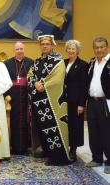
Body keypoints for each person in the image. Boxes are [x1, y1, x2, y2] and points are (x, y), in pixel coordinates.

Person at [28, 35, 70, 166]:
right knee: (43, 129)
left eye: (47, 44)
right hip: (39, 101)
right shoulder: (37, 61)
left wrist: (43, 85)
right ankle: (47, 152)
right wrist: (35, 84)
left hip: (52, 102)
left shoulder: (58, 61)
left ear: (52, 45)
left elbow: (58, 80)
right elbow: (30, 75)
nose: (44, 46)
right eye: (42, 44)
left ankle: (58, 157)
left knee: (54, 129)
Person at [4, 41, 34, 155]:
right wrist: (6, 95)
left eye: (21, 49)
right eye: (17, 49)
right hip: (13, 95)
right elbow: (4, 80)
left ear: (24, 50)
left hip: (27, 94)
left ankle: (25, 147)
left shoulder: (31, 62)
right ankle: (14, 146)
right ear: (14, 50)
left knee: (26, 120)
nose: (19, 51)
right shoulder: (7, 63)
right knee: (14, 120)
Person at [86, 37, 110, 174]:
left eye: (102, 47)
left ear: (106, 47)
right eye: (96, 47)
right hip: (92, 102)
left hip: (105, 102)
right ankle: (96, 158)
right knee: (93, 132)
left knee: (107, 133)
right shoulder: (92, 62)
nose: (99, 50)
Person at [64, 40, 89, 162]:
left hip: (76, 102)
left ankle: (73, 151)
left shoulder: (83, 65)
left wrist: (81, 104)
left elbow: (84, 86)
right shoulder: (63, 63)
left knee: (75, 126)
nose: (71, 51)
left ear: (77, 50)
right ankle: (65, 148)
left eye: (73, 49)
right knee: (65, 125)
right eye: (69, 48)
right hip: (63, 101)